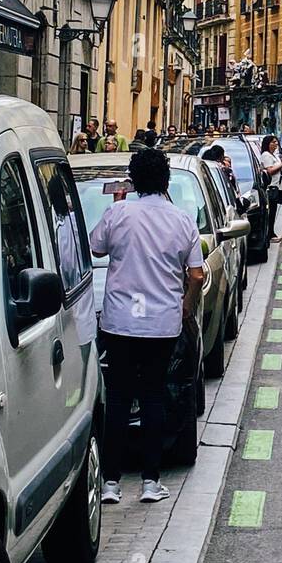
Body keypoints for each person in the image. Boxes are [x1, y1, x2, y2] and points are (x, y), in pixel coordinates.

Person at [90, 148, 205, 504]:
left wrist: (119, 202)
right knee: (154, 397)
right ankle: (150, 482)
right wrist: (185, 307)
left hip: (119, 323)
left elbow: (95, 249)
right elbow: (197, 274)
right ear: (166, 181)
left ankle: (110, 483)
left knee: (119, 398)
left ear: (134, 180)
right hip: (161, 325)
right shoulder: (182, 220)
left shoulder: (119, 213)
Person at [259, 133, 282, 240]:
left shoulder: (273, 155)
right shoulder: (266, 155)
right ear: (267, 144)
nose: (276, 144)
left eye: (276, 142)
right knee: (270, 212)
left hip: (276, 186)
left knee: (273, 211)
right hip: (270, 187)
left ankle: (271, 232)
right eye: (273, 142)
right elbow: (270, 170)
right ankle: (269, 234)